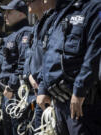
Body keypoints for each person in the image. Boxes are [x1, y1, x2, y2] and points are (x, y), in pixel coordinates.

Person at [36, 0, 101, 135]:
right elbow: (49, 55)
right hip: (59, 104)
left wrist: (79, 90)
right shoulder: (59, 14)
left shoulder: (94, 8)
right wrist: (42, 88)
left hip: (81, 104)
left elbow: (94, 52)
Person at [0, 0, 33, 134]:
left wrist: (12, 86)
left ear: (20, 14)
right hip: (8, 93)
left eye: (9, 12)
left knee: (19, 129)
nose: (5, 16)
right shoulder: (12, 35)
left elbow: (24, 62)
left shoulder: (26, 33)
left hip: (17, 93)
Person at [24, 0, 56, 129]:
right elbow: (29, 54)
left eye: (31, 0)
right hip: (36, 89)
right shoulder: (36, 26)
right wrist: (29, 75)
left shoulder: (53, 21)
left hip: (49, 91)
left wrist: (42, 85)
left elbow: (50, 56)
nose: (27, 3)